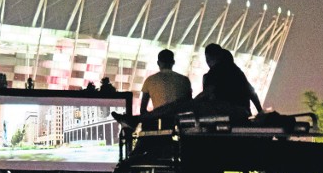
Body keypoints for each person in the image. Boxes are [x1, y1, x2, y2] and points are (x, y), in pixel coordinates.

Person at [112, 44, 262, 129]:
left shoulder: (217, 71)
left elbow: (208, 93)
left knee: (176, 106)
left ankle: (137, 120)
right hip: (241, 111)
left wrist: (193, 102)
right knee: (178, 107)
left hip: (225, 110)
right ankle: (136, 120)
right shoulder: (236, 71)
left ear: (209, 58)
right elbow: (252, 93)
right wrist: (260, 113)